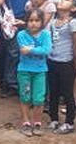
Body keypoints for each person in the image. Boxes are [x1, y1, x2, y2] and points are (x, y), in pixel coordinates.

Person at [45, 0, 76, 133]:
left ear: (74, 8)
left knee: (67, 93)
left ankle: (69, 122)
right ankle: (54, 119)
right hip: (52, 60)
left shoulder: (73, 22)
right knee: (53, 91)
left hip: (66, 61)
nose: (62, 0)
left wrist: (75, 61)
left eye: (66, 0)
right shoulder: (54, 21)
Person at [15, 8, 51, 136]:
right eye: (31, 20)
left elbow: (47, 50)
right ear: (26, 21)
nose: (33, 23)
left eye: (37, 20)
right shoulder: (21, 35)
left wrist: (30, 49)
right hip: (24, 69)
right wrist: (37, 49)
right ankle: (25, 122)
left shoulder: (46, 34)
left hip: (40, 71)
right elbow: (23, 49)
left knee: (39, 98)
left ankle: (37, 122)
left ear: (42, 22)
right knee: (25, 96)